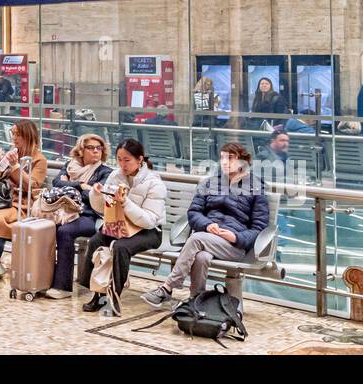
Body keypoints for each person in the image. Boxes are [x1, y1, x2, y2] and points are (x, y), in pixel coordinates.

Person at [143, 141, 267, 308]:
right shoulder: (210, 183)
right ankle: (197, 301)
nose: (224, 162)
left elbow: (259, 227)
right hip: (209, 237)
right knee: (201, 257)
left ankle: (168, 288)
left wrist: (236, 237)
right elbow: (193, 212)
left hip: (233, 246)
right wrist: (207, 225)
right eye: (222, 158)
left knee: (196, 239)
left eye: (230, 158)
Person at [79, 138, 167, 312]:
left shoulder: (154, 183)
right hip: (120, 225)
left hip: (149, 231)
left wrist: (125, 203)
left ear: (139, 160)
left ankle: (113, 297)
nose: (122, 164)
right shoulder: (115, 175)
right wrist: (97, 195)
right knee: (96, 241)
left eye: (127, 160)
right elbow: (101, 209)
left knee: (120, 247)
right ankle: (97, 294)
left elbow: (149, 220)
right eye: (119, 159)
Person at [0, 118, 49, 280]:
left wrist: (15, 167)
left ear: (27, 135)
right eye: (12, 133)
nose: (14, 138)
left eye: (17, 134)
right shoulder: (13, 153)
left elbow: (32, 186)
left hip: (22, 205)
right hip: (2, 201)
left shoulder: (39, 159)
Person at [44, 132, 113, 299]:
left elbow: (94, 197)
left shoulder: (105, 172)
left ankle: (62, 286)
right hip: (63, 212)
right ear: (81, 150)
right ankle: (44, 278)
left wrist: (70, 186)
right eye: (91, 148)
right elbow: (56, 184)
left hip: (90, 216)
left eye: (99, 148)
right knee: (45, 228)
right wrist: (80, 185)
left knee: (64, 232)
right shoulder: (70, 165)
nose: (96, 151)